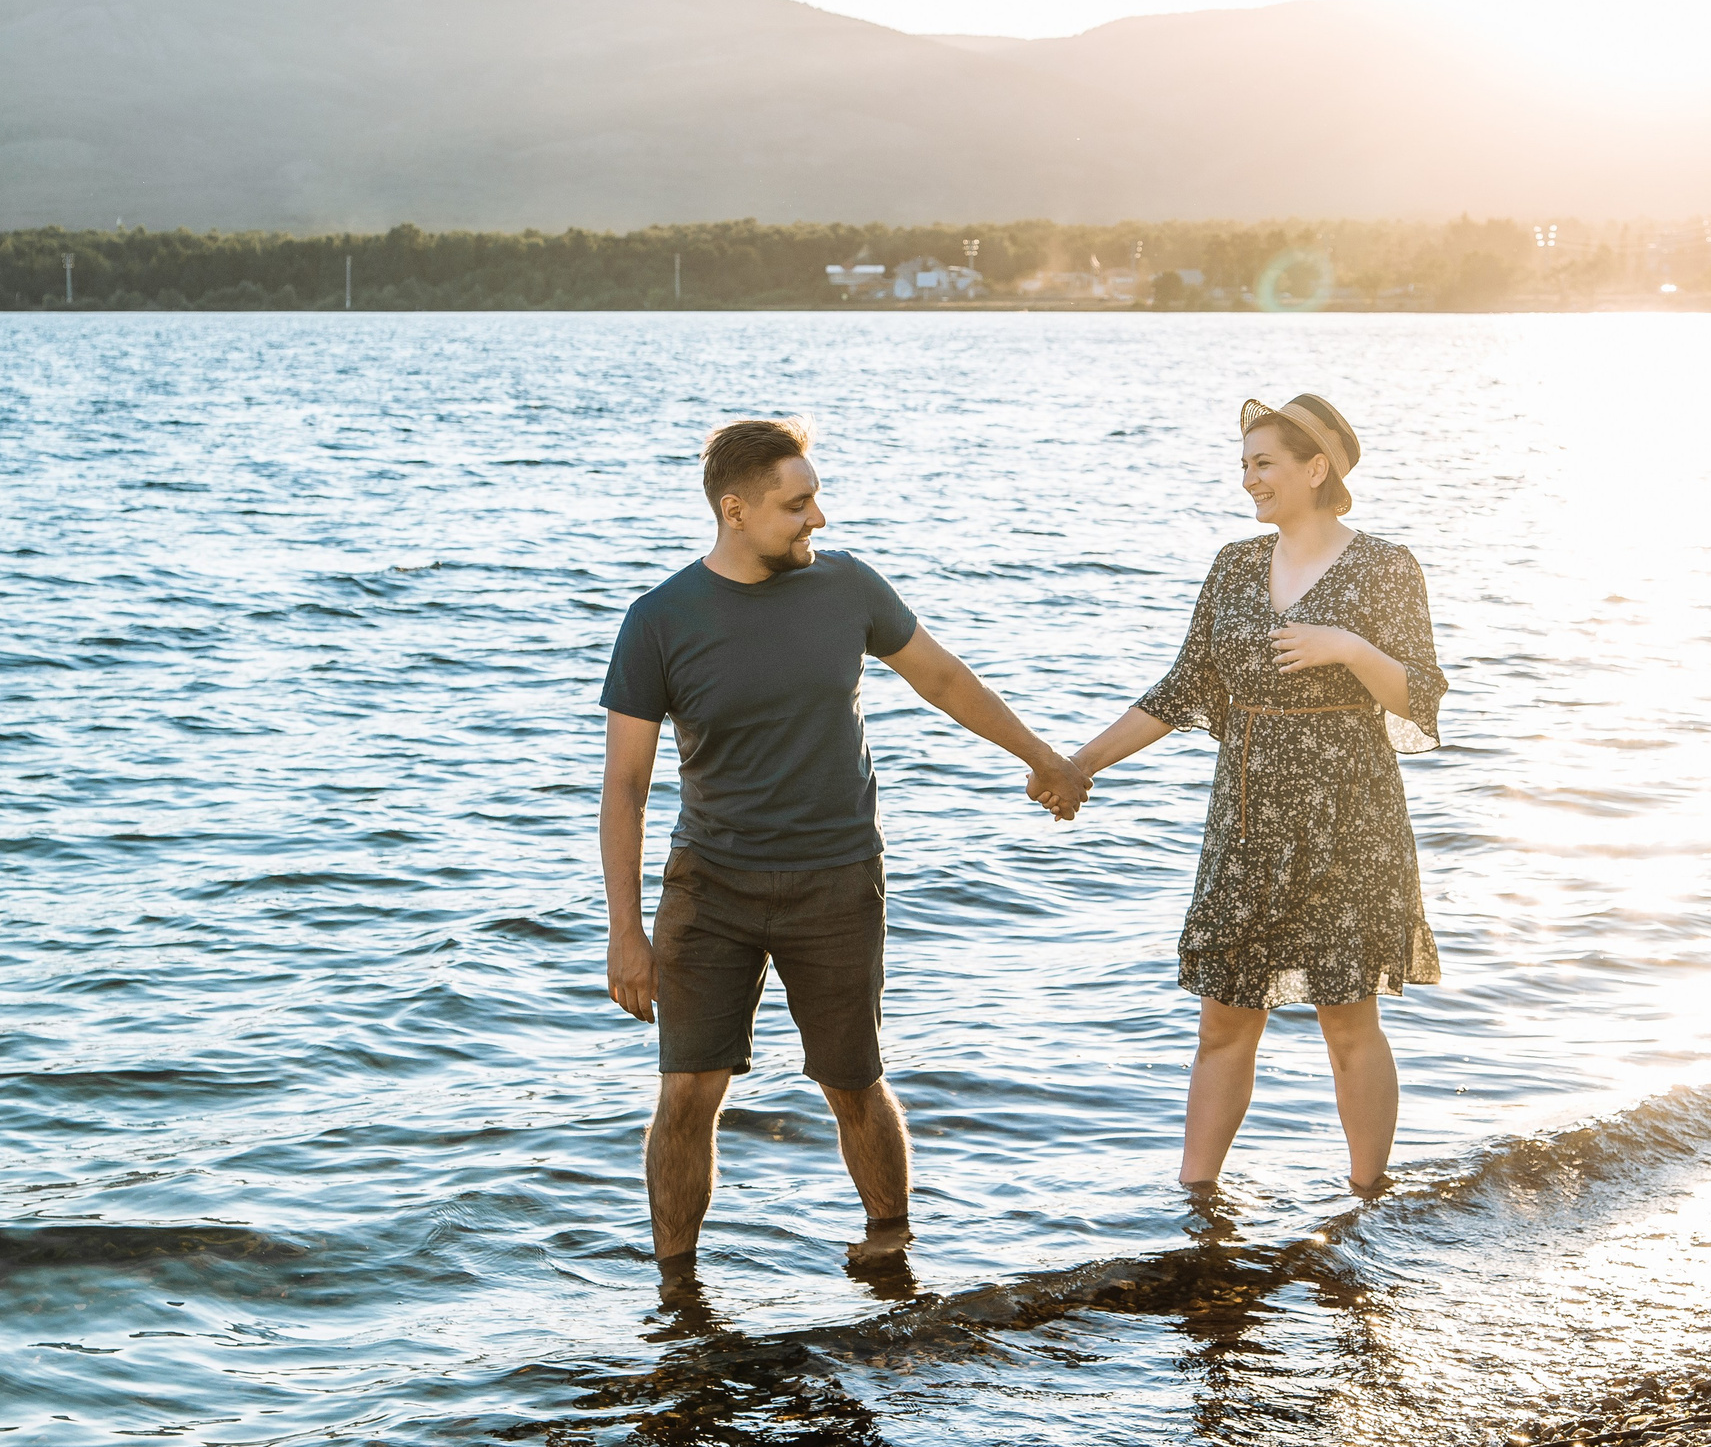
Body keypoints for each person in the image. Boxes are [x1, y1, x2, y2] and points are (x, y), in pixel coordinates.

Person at [600, 416, 1091, 1268]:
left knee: (852, 1080)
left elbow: (944, 678)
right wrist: (625, 930)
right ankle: (676, 1292)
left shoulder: (848, 587)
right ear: (735, 509)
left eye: (815, 499)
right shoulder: (658, 620)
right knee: (686, 1092)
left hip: (836, 879)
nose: (817, 518)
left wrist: (1042, 757)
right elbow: (625, 787)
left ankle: (891, 1250)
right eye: (797, 505)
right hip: (710, 887)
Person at [1056, 394, 1445, 1196]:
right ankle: (1195, 1202)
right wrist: (1079, 764)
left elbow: (1419, 696)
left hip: (1349, 818)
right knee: (1223, 1018)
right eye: (1243, 464)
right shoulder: (1233, 566)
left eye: (1263, 463)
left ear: (1316, 467)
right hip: (1245, 820)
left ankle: (1369, 1198)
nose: (1249, 479)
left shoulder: (1386, 567)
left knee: (1349, 1020)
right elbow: (1182, 688)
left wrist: (1346, 645)